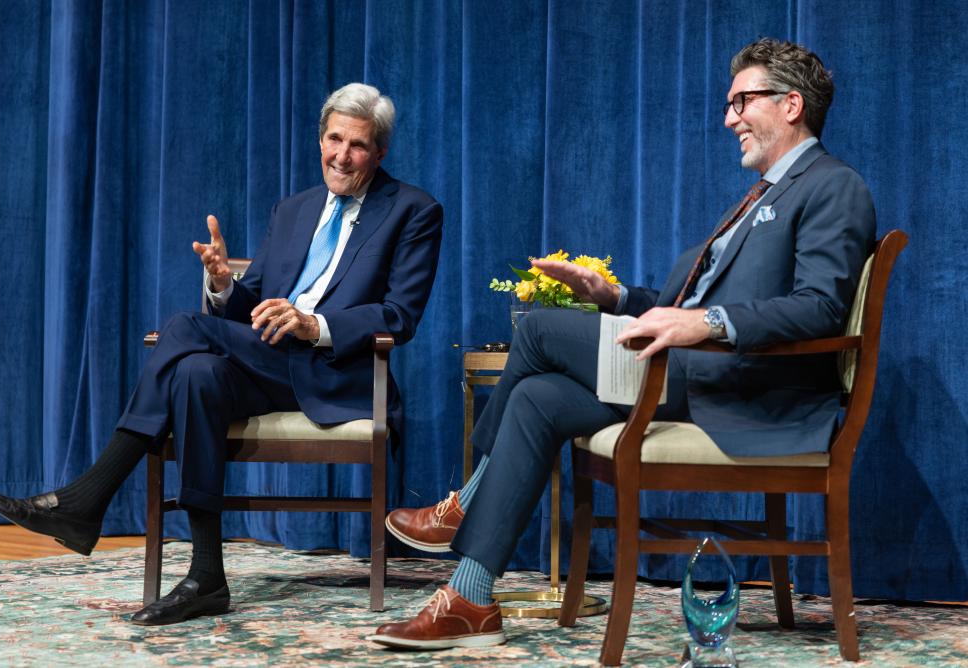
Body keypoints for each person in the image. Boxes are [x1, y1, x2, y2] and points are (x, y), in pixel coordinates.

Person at [370, 38, 875, 650]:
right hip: (691, 377)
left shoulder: (832, 186)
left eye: (742, 101)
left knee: (540, 328)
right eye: (729, 103)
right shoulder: (761, 195)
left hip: (743, 390)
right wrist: (612, 298)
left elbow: (820, 308)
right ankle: (470, 599)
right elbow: (677, 310)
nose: (729, 118)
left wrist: (709, 323)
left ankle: (463, 503)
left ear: (791, 104)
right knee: (537, 398)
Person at [0, 83, 443, 626]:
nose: (341, 155)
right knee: (196, 372)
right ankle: (206, 576)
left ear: (379, 152)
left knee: (181, 329)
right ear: (320, 141)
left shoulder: (414, 210)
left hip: (333, 371)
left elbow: (398, 315)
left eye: (357, 145)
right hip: (269, 361)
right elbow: (246, 309)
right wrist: (224, 285)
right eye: (333, 139)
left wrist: (313, 323)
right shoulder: (292, 210)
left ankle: (87, 497)